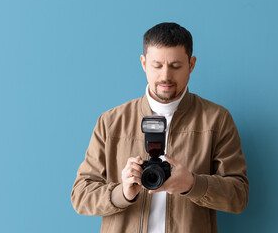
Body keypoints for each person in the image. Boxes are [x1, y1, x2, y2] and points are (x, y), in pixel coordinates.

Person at [71, 22, 249, 233]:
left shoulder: (216, 120)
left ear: (191, 65)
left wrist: (192, 184)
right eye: (157, 65)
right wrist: (123, 192)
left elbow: (239, 196)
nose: (165, 76)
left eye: (175, 66)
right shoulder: (111, 122)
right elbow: (80, 196)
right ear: (143, 63)